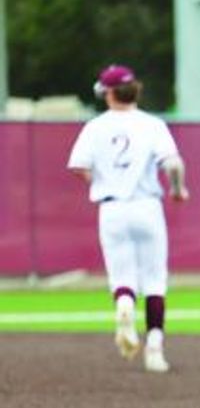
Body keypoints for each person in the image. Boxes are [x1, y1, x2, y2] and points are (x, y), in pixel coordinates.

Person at [67, 64, 189, 374]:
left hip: (112, 208)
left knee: (122, 279)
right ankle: (155, 350)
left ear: (108, 93)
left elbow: (80, 167)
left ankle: (124, 306)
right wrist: (177, 189)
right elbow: (173, 165)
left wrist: (102, 180)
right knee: (155, 281)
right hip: (147, 205)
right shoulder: (153, 124)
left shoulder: (95, 127)